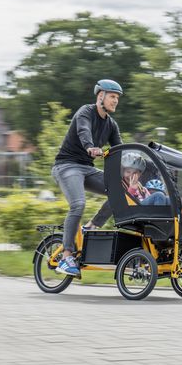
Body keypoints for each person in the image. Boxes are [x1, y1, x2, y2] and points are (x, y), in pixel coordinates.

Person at [51, 79, 123, 278]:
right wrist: (90, 147)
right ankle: (66, 257)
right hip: (66, 166)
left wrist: (132, 169)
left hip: (87, 169)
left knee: (120, 191)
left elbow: (120, 151)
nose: (115, 101)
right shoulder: (85, 112)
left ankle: (91, 228)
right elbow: (83, 130)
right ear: (100, 96)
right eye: (112, 96)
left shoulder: (111, 124)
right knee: (78, 204)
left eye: (117, 98)